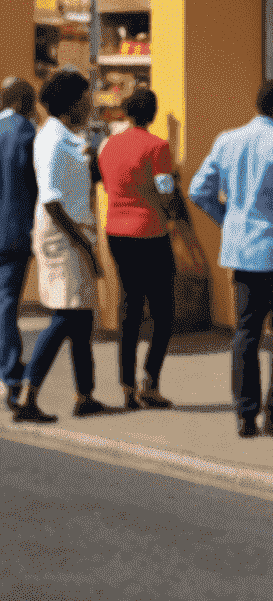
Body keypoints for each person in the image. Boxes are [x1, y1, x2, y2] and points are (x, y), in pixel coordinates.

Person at [188, 78, 273, 439]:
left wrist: (227, 220)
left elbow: (198, 190)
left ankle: (245, 415)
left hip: (243, 254)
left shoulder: (227, 141)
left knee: (246, 332)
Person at [13, 70, 106, 423]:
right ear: (71, 103)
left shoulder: (66, 136)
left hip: (71, 232)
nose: (90, 104)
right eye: (85, 98)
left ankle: (85, 395)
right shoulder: (52, 138)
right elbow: (52, 199)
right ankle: (27, 397)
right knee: (66, 315)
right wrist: (84, 245)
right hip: (62, 236)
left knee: (80, 317)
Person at [98, 87, 179, 410]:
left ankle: (126, 386)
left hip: (116, 231)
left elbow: (107, 183)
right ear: (153, 114)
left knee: (130, 309)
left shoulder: (109, 146)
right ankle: (151, 383)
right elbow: (166, 190)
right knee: (163, 311)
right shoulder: (157, 147)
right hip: (150, 232)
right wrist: (173, 213)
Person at [0, 76, 39, 413]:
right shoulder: (25, 132)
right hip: (13, 232)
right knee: (7, 303)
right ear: (26, 102)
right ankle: (11, 375)